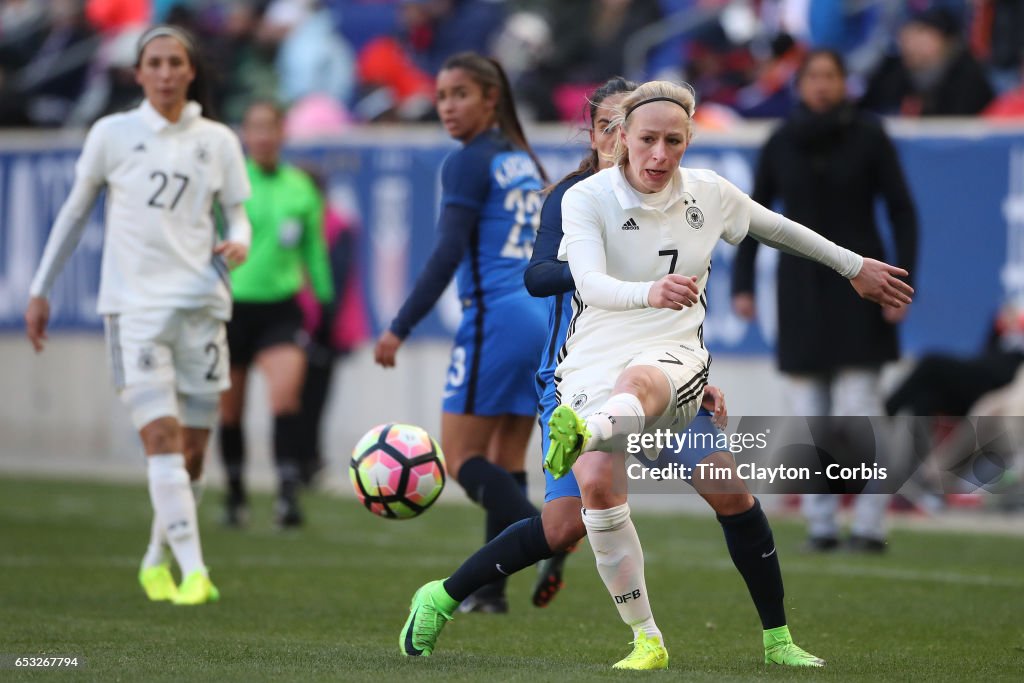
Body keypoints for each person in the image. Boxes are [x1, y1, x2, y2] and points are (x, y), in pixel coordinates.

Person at [397, 76, 878, 670]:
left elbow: (771, 228)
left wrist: (853, 266)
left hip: (664, 373)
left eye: (670, 139)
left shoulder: (701, 194)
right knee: (563, 525)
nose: (653, 150)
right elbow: (544, 278)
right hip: (578, 380)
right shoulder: (578, 198)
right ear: (614, 135)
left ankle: (777, 639)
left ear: (684, 138)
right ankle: (444, 595)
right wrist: (644, 291)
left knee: (728, 489)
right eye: (620, 130)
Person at [24, 25, 251, 605]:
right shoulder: (112, 134)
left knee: (195, 453)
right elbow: (74, 214)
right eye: (155, 62)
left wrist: (241, 241)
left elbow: (238, 215)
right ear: (138, 71)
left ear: (191, 70)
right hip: (135, 310)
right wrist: (41, 288)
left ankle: (155, 559)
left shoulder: (218, 139)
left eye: (176, 61)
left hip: (202, 306)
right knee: (162, 437)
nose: (167, 72)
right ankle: (195, 574)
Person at [373, 52, 560, 613]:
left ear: (490, 99)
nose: (448, 107)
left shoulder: (468, 162)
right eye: (441, 96)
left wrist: (400, 326)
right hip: (540, 316)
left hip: (497, 316)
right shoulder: (522, 159)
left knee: (460, 459)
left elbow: (448, 252)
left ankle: (545, 533)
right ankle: (494, 591)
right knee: (507, 460)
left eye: (460, 94)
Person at [732, 49, 919, 553]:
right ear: (799, 85)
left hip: (865, 281)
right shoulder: (782, 141)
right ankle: (820, 522)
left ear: (844, 83)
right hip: (801, 287)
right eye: (812, 77)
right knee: (809, 411)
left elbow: (902, 211)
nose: (821, 86)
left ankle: (870, 523)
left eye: (830, 76)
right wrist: (743, 285)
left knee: (860, 407)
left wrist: (903, 284)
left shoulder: (870, 136)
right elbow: (752, 216)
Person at [218, 100, 334, 529]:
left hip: (281, 310)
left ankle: (287, 497)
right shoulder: (228, 186)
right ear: (244, 135)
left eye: (271, 128)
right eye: (255, 128)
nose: (263, 136)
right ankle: (234, 496)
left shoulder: (301, 188)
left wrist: (324, 303)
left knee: (285, 398)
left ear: (283, 134)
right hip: (230, 309)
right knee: (230, 411)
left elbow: (314, 252)